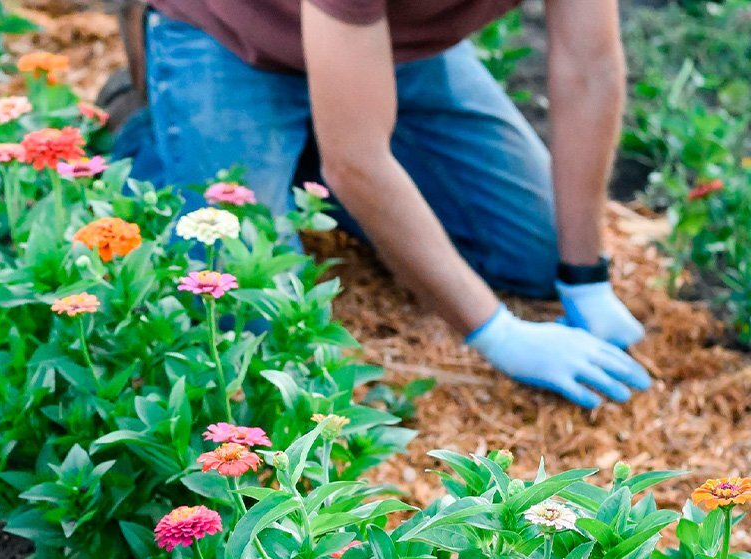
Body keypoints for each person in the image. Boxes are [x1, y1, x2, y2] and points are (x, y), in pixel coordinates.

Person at [110, 0, 652, 409]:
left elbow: (589, 71)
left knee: (537, 253)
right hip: (234, 41)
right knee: (266, 336)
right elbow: (356, 164)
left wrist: (585, 276)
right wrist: (497, 333)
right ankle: (155, 122)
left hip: (389, 46)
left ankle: (318, 131)